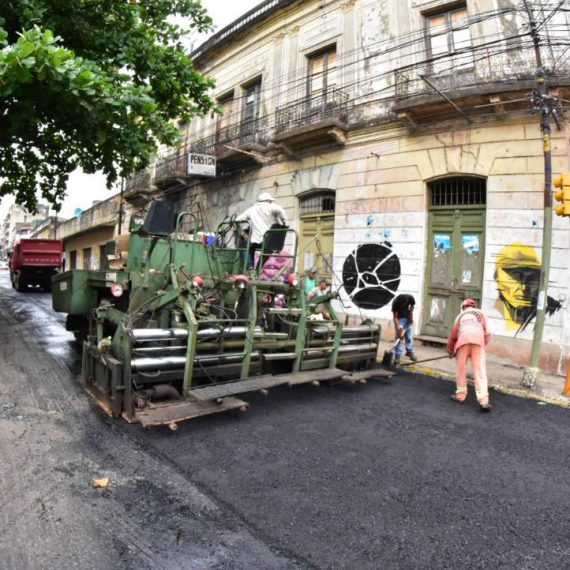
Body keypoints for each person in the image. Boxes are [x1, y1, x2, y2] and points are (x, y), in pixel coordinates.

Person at [447, 298, 492, 412]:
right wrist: (482, 343)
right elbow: (488, 332)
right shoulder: (481, 313)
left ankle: (460, 396)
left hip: (463, 342)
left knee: (461, 370)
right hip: (478, 343)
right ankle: (484, 401)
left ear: (463, 307)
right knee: (480, 372)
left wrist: (450, 350)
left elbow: (453, 335)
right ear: (474, 306)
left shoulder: (460, 316)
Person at [236, 192, 287, 268]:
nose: (271, 203)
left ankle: (250, 267)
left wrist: (242, 233)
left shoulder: (251, 209)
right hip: (269, 241)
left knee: (246, 246)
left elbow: (237, 220)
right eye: (270, 201)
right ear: (268, 200)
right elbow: (280, 209)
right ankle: (258, 269)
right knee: (268, 250)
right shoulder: (270, 207)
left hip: (256, 241)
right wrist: (284, 221)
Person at [391, 293, 417, 365]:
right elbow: (395, 317)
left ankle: (409, 351)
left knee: (408, 336)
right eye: (402, 305)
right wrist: (399, 328)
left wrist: (410, 314)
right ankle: (397, 355)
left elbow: (412, 306)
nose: (403, 305)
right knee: (398, 338)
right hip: (399, 319)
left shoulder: (410, 297)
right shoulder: (395, 302)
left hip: (407, 317)